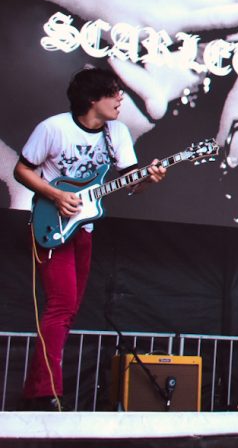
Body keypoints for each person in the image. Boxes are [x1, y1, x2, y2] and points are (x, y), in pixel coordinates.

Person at [14, 67, 168, 411]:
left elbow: (131, 183)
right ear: (92, 99)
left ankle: (38, 390)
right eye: (113, 93)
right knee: (61, 306)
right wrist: (55, 195)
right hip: (50, 226)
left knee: (68, 310)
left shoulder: (118, 133)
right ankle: (45, 392)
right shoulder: (53, 129)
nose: (120, 99)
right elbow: (21, 170)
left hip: (82, 229)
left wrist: (150, 179)